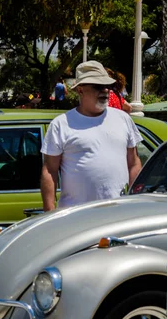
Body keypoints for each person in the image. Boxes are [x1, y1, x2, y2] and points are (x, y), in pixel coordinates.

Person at [40, 60, 143, 211]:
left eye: (107, 86)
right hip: (76, 218)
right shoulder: (61, 124)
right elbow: (50, 170)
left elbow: (133, 163)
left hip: (119, 214)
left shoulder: (123, 119)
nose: (105, 91)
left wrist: (135, 203)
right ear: (80, 90)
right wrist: (49, 213)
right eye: (98, 87)